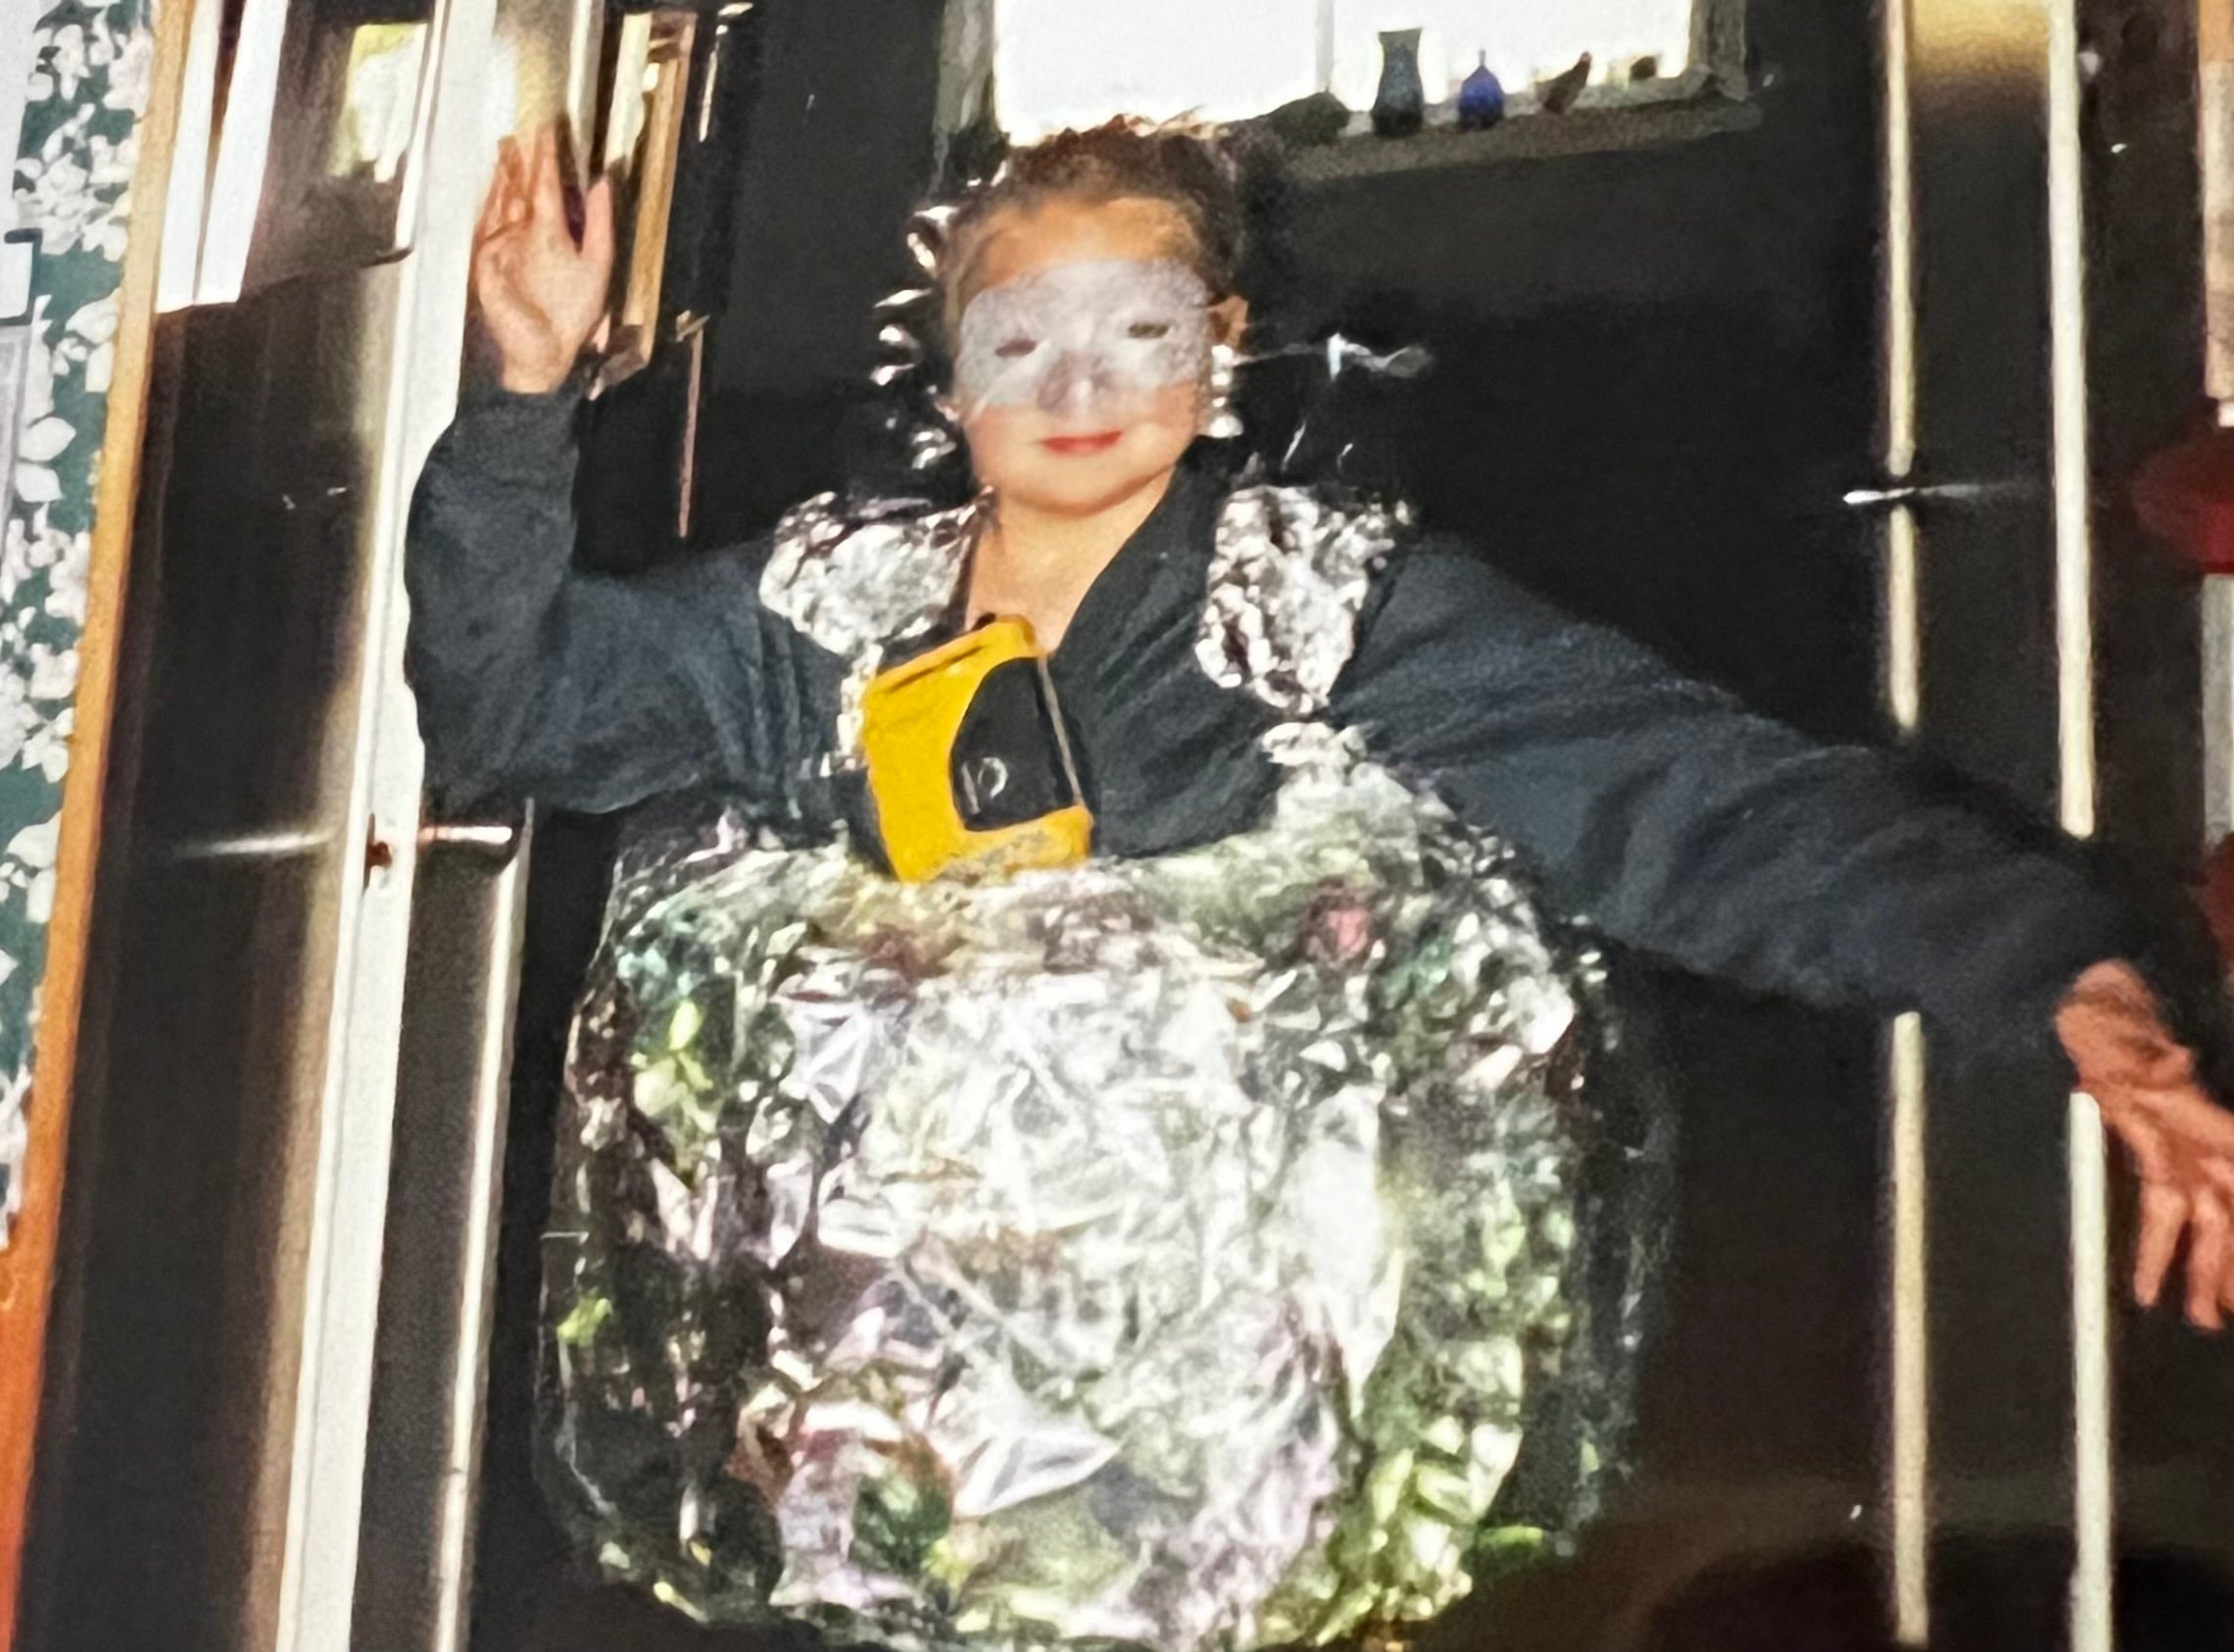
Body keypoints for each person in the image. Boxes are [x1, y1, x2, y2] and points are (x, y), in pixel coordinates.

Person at [410, 119, 2234, 1642]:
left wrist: (2056, 975)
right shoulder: (813, 624)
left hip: (1210, 1421)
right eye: (1018, 336)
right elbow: (511, 710)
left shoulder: (1329, 611)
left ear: (1215, 351)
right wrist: (521, 399)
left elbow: (1702, 803)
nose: (1076, 386)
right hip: (865, 1407)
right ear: (946, 369)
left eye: (1135, 330)